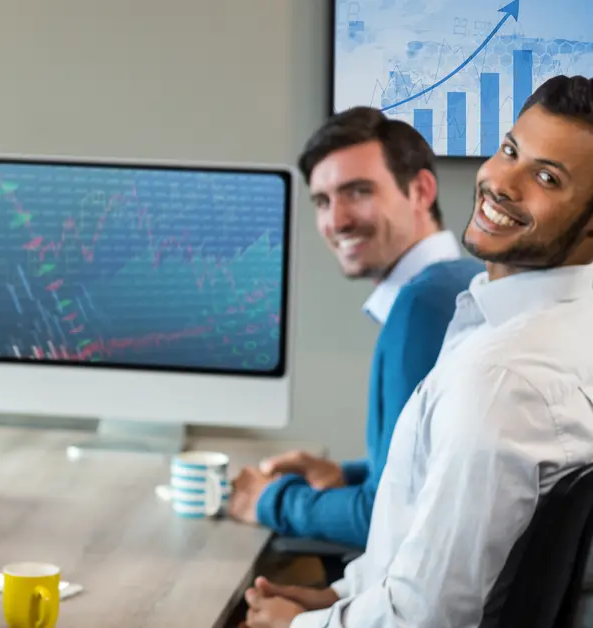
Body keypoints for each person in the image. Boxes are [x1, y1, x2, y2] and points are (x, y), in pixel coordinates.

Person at [243, 74, 593, 627]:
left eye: (547, 177)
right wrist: (339, 601)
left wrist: (290, 625)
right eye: (509, 150)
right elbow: (422, 524)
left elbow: (424, 618)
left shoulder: (501, 376)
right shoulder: (511, 323)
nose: (503, 182)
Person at [226, 106, 483, 548]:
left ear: (421, 190)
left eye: (358, 192)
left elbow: (388, 517)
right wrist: (346, 474)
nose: (337, 221)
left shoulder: (424, 303)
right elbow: (431, 469)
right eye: (323, 202)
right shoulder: (458, 280)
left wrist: (271, 500)